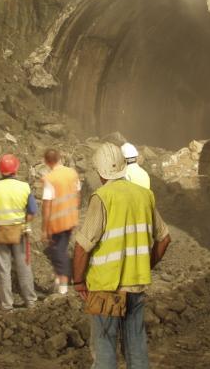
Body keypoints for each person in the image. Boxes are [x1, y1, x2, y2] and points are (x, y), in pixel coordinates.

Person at [72, 143, 171, 369]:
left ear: (99, 171)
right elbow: (164, 238)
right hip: (136, 285)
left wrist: (78, 282)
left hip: (106, 287)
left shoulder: (102, 198)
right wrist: (146, 265)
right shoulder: (145, 195)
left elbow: (82, 246)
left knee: (105, 345)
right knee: (136, 344)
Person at [0, 154, 39, 312]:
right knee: (24, 267)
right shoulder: (24, 187)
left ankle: (6, 305)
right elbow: (32, 212)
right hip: (20, 232)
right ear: (16, 169)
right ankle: (31, 302)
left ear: (0, 170)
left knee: (3, 269)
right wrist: (24, 222)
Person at [41, 148, 81, 295]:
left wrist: (44, 229)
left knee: (59, 252)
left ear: (46, 161)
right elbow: (78, 194)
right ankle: (59, 279)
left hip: (57, 222)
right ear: (59, 158)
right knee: (58, 249)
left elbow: (46, 206)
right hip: (71, 218)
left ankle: (63, 285)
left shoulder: (50, 179)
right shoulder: (72, 173)